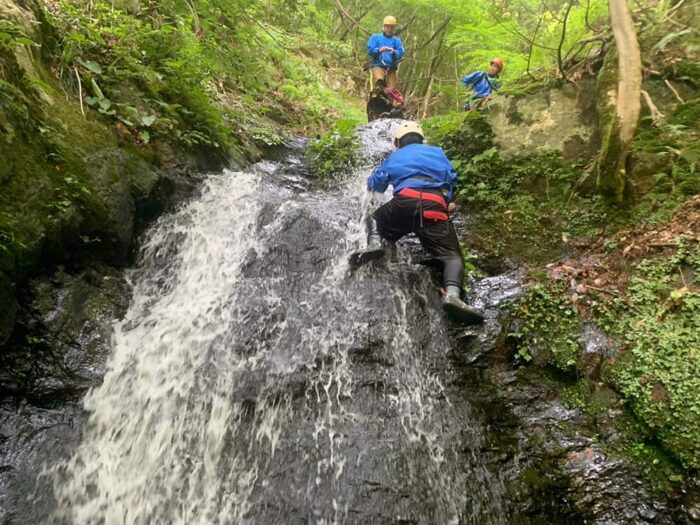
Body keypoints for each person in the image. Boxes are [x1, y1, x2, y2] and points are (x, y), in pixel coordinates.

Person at [351, 121, 485, 324]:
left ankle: (375, 242)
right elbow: (451, 182)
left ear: (397, 142)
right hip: (434, 208)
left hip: (405, 203)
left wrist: (376, 188)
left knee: (376, 218)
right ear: (422, 139)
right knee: (452, 257)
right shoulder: (438, 153)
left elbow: (376, 184)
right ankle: (452, 295)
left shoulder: (395, 156)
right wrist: (445, 202)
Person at [366, 16, 404, 91]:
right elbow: (370, 50)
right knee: (379, 84)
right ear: (383, 26)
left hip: (391, 69)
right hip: (378, 66)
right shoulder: (375, 37)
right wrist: (379, 50)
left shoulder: (397, 41)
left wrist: (394, 52)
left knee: (391, 91)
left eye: (391, 27)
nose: (389, 29)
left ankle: (391, 101)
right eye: (387, 27)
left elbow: (400, 52)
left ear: (394, 28)